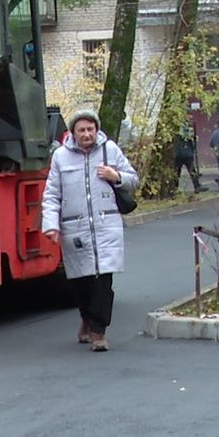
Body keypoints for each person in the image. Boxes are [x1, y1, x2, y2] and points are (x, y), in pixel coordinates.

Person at [40, 109, 139, 352]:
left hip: (106, 228)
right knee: (81, 283)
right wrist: (51, 225)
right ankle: (86, 317)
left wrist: (115, 176)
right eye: (82, 130)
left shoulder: (110, 150)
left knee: (102, 282)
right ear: (73, 133)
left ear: (97, 130)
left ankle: (98, 331)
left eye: (90, 129)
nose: (87, 134)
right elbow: (52, 195)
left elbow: (133, 179)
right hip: (76, 229)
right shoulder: (61, 157)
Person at [172, 122, 204, 194]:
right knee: (189, 170)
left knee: (179, 171)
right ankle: (196, 186)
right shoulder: (184, 128)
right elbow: (189, 138)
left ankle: (175, 188)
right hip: (185, 153)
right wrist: (194, 139)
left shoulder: (178, 128)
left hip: (180, 153)